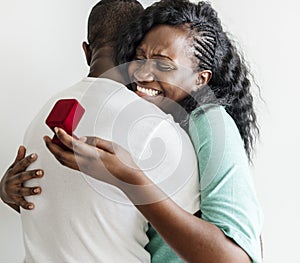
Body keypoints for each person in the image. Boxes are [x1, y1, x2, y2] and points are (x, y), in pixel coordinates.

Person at [45, 0, 264, 262]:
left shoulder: (211, 123)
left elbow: (236, 258)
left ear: (200, 79)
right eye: (139, 57)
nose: (142, 73)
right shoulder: (149, 122)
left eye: (163, 64)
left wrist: (129, 179)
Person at [0, 0, 202, 262]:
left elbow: (54, 213)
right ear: (138, 52)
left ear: (86, 51)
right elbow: (196, 241)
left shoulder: (41, 116)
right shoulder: (156, 128)